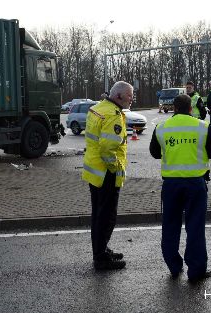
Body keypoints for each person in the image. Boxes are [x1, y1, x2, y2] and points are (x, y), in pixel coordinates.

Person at [149, 94, 211, 283]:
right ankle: (196, 270)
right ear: (191, 108)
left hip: (171, 184)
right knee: (195, 227)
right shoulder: (202, 127)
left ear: (174, 108)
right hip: (195, 184)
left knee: (170, 225)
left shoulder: (161, 128)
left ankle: (174, 266)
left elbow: (155, 153)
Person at [82, 81, 133, 270]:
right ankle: (101, 258)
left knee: (98, 215)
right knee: (107, 217)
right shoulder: (113, 115)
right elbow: (107, 147)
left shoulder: (98, 108)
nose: (132, 99)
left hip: (94, 172)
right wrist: (116, 168)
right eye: (129, 95)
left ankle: (101, 250)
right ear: (118, 96)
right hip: (106, 174)